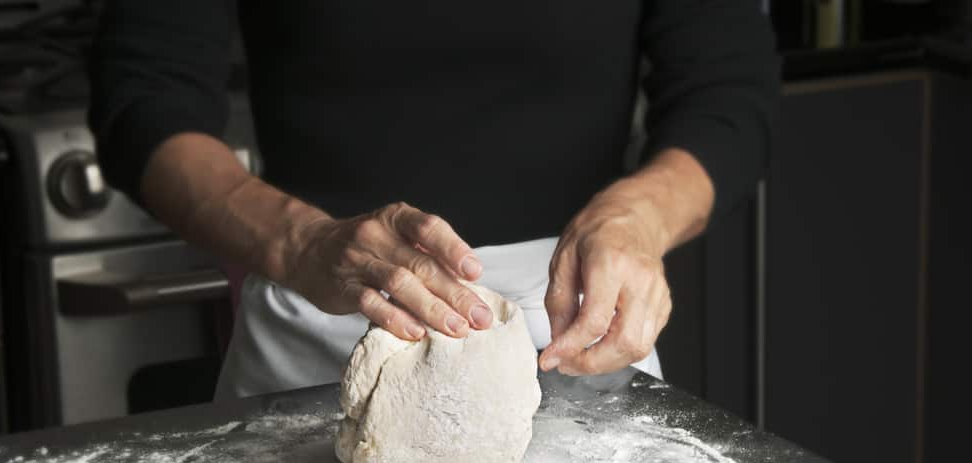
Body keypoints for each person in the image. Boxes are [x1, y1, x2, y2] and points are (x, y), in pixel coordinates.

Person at [88, 2, 780, 399]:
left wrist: (637, 218)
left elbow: (728, 94)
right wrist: (299, 241)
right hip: (321, 335)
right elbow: (144, 99)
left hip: (575, 334)